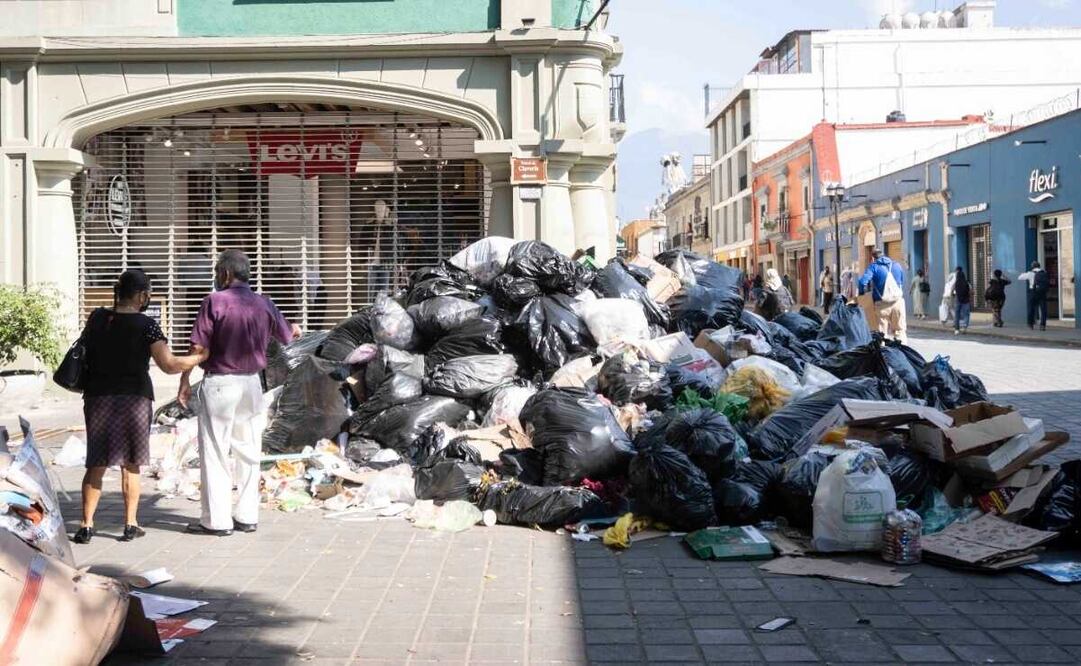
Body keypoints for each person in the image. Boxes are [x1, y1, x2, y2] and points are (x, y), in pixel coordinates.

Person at [73, 270, 206, 545]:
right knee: (131, 463)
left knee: (96, 462)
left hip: (98, 397)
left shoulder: (97, 318)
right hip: (134, 399)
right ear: (142, 295)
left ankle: (86, 525)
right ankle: (130, 524)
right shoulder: (147, 325)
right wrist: (199, 358)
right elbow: (169, 364)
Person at [179, 250, 301, 536]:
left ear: (225, 274)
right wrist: (293, 328)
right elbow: (288, 335)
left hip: (220, 383)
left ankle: (217, 521)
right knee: (249, 451)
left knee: (215, 452)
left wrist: (184, 379)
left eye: (216, 272)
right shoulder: (264, 303)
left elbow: (197, 347)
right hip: (252, 385)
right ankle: (247, 516)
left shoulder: (214, 302)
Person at [858, 248, 908, 343]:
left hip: (882, 304)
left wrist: (861, 294)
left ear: (873, 258)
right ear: (884, 255)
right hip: (898, 302)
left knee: (881, 334)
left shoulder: (873, 267)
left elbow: (862, 282)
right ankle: (902, 349)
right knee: (900, 331)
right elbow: (901, 281)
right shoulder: (897, 265)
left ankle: (883, 351)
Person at [1019, 261, 1050, 330]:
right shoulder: (1044, 273)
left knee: (1031, 308)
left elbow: (1020, 277)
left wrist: (1025, 273)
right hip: (1042, 292)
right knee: (1043, 309)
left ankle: (1030, 324)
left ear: (1032, 267)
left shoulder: (1030, 273)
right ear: (1039, 266)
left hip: (1033, 292)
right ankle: (1042, 325)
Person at [952, 267, 972, 334]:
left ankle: (956, 329)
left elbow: (952, 291)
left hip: (958, 299)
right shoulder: (967, 283)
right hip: (966, 300)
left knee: (957, 314)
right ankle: (964, 327)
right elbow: (971, 291)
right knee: (966, 314)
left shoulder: (956, 283)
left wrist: (953, 296)